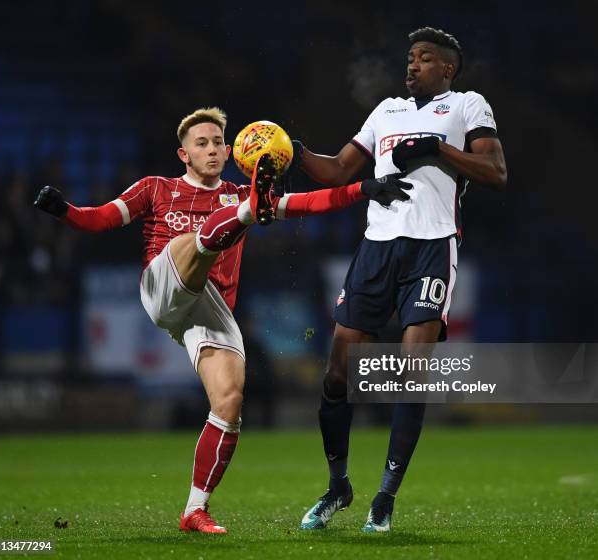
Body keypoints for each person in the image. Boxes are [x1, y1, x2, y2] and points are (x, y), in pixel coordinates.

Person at [33, 107, 413, 534]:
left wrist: (365, 188)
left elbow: (309, 202)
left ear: (230, 150)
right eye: (202, 143)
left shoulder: (232, 193)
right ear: (184, 154)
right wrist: (63, 210)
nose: (212, 149)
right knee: (194, 241)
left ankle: (195, 510)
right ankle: (250, 213)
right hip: (164, 286)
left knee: (229, 402)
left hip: (208, 309)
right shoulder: (156, 189)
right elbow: (100, 218)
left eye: (218, 142)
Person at [294, 27, 507, 532]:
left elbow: (496, 170)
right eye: (410, 58)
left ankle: (384, 500)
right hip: (377, 248)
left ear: (447, 68)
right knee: (337, 374)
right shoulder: (385, 111)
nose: (412, 65)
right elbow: (336, 171)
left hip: (432, 248)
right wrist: (291, 150)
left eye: (425, 58)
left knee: (412, 375)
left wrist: (437, 149)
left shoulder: (467, 105)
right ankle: (337, 486)